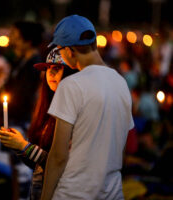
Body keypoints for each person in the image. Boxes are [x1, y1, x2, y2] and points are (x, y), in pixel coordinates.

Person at [40, 15, 134, 200]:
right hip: (112, 193)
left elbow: (58, 156)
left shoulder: (71, 85)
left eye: (60, 50)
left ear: (69, 50)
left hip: (74, 193)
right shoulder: (120, 83)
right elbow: (122, 146)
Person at [0, 47, 78, 200]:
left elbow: (60, 165)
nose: (51, 73)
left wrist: (24, 146)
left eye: (57, 68)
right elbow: (40, 166)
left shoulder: (74, 113)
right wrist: (19, 147)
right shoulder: (49, 110)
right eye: (48, 69)